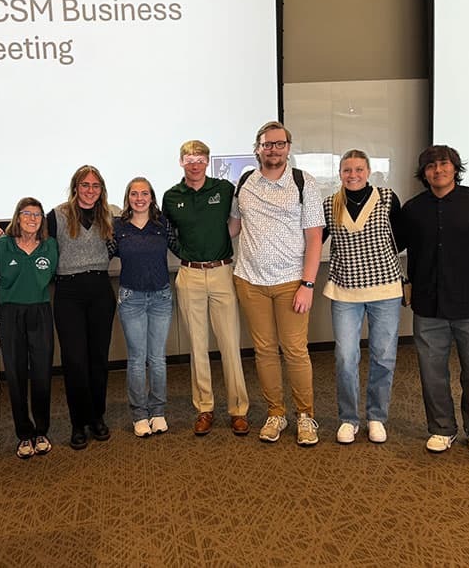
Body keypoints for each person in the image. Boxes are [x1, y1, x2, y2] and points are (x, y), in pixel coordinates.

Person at [229, 121, 324, 446]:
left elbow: (315, 237)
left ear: (288, 148)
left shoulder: (303, 182)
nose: (273, 149)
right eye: (267, 144)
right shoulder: (244, 182)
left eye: (279, 144)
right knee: (265, 350)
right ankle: (276, 413)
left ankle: (305, 416)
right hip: (250, 281)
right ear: (258, 148)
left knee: (295, 351)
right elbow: (233, 227)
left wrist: (308, 285)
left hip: (291, 283)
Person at [400, 146, 469, 457]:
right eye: (430, 166)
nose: (437, 170)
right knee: (432, 372)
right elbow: (393, 248)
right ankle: (441, 428)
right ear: (423, 173)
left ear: (455, 168)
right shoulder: (412, 209)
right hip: (428, 304)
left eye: (444, 164)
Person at [162, 140, 250, 436]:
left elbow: (237, 222)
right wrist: (185, 252)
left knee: (230, 345)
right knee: (197, 347)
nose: (195, 164)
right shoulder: (171, 196)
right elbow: (168, 234)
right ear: (181, 162)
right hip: (190, 275)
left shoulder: (224, 189)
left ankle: (238, 409)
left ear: (207, 162)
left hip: (222, 272)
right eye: (189, 159)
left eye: (200, 159)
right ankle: (204, 408)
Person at [322, 150, 402, 445]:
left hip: (385, 290)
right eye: (347, 170)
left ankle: (376, 417)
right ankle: (349, 419)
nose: (353, 175)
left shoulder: (388, 198)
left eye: (358, 169)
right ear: (340, 173)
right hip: (344, 291)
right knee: (346, 357)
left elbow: (401, 238)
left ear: (368, 171)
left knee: (383, 356)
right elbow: (315, 240)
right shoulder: (330, 204)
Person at [47, 166, 116, 450]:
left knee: (98, 358)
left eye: (95, 186)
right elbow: (42, 247)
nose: (90, 190)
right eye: (85, 185)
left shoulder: (108, 215)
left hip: (100, 289)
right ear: (75, 187)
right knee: (75, 361)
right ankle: (78, 422)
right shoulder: (57, 215)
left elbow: (116, 246)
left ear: (101, 189)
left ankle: (97, 416)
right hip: (69, 293)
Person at [0, 197, 57, 459]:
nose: (32, 219)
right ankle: (24, 434)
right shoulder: (1, 246)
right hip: (10, 313)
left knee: (42, 372)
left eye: (37, 215)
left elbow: (51, 276)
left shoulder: (50, 246)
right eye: (27, 214)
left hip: (40, 311)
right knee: (16, 374)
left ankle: (41, 430)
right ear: (17, 217)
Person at [112, 177, 173, 437]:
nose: (139, 198)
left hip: (161, 297)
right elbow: (103, 252)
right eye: (134, 194)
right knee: (137, 359)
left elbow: (181, 247)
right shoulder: (118, 226)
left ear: (152, 197)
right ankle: (139, 415)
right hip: (131, 299)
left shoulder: (162, 224)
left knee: (157, 358)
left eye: (144, 193)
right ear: (128, 197)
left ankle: (157, 412)